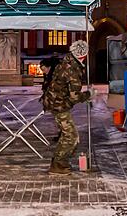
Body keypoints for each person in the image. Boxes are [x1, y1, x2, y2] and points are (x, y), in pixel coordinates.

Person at [42, 40, 93, 175]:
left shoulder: (65, 62)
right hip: (59, 105)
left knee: (68, 135)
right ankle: (58, 164)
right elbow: (75, 96)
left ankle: (59, 162)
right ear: (84, 55)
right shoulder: (73, 69)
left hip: (55, 102)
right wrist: (88, 95)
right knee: (71, 136)